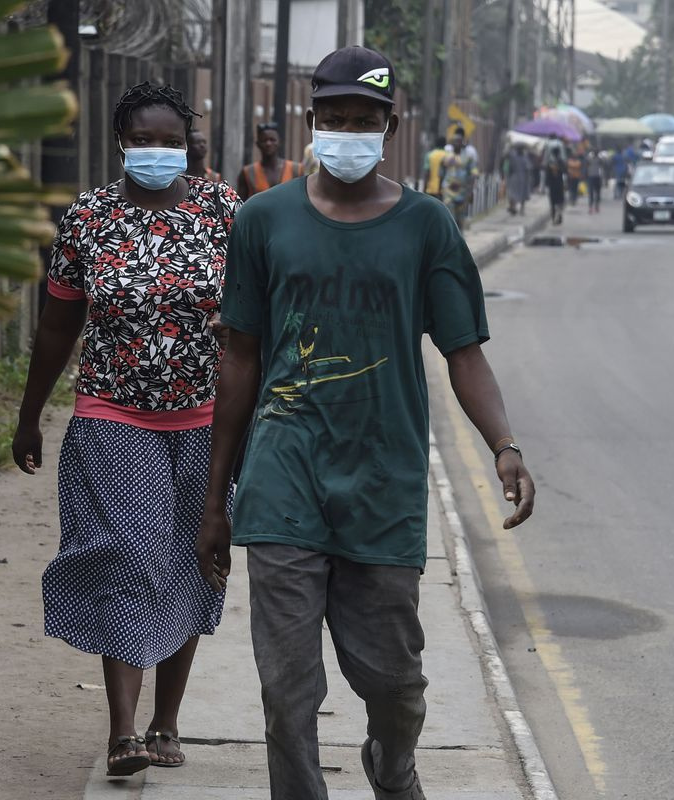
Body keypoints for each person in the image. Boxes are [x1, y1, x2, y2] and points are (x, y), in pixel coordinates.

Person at [195, 45, 535, 800]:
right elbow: (240, 360)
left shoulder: (427, 227)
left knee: (394, 684)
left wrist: (503, 445)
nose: (349, 131)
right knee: (287, 690)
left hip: (383, 479)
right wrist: (216, 501)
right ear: (313, 122)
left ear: (390, 125)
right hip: (284, 476)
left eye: (365, 120)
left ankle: (391, 761)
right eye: (335, 118)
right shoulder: (261, 220)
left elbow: (464, 354)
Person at [11, 82, 241, 777]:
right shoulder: (88, 218)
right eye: (143, 138)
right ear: (120, 142)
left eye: (169, 139)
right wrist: (28, 415)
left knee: (190, 562)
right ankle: (122, 732)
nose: (156, 151)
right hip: (113, 413)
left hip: (207, 420)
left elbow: (259, 317)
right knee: (127, 556)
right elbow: (57, 325)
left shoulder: (223, 211)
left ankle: (167, 720)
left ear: (189, 144)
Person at [237, 121, 301, 200]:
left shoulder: (296, 170)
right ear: (258, 144)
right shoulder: (248, 172)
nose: (268, 143)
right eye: (264, 140)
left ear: (279, 142)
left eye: (272, 140)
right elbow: (240, 206)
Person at [440, 127, 477, 230]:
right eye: (455, 142)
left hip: (462, 192)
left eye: (459, 142)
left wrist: (470, 191)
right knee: (449, 216)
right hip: (448, 190)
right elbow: (441, 171)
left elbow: (473, 173)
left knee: (460, 218)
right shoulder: (447, 154)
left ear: (462, 143)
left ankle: (460, 238)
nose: (457, 144)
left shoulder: (468, 156)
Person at [502, 141, 531, 215]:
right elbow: (528, 168)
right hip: (519, 177)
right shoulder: (515, 156)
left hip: (517, 177)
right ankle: (514, 207)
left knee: (514, 194)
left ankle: (517, 208)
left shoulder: (521, 157)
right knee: (514, 194)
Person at [545, 148, 566, 225]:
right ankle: (557, 216)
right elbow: (565, 172)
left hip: (553, 185)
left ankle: (555, 218)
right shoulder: (561, 162)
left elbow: (547, 175)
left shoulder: (550, 162)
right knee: (559, 202)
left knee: (553, 203)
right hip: (558, 184)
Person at [585, 149, 604, 214]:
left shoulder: (590, 159)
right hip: (595, 177)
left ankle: (592, 207)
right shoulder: (599, 160)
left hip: (593, 177)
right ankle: (594, 207)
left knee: (592, 193)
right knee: (596, 193)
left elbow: (586, 167)